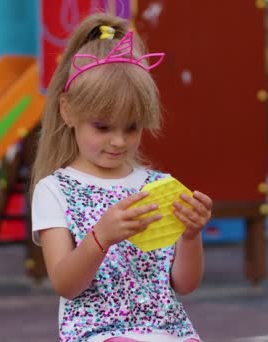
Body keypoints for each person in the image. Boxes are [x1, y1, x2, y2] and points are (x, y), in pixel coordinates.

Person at [30, 12, 213, 342]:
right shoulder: (55, 190)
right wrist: (100, 237)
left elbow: (184, 285)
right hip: (99, 333)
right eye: (102, 127)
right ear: (67, 110)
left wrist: (190, 236)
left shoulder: (156, 186)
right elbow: (65, 284)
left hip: (171, 332)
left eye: (132, 128)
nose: (118, 141)